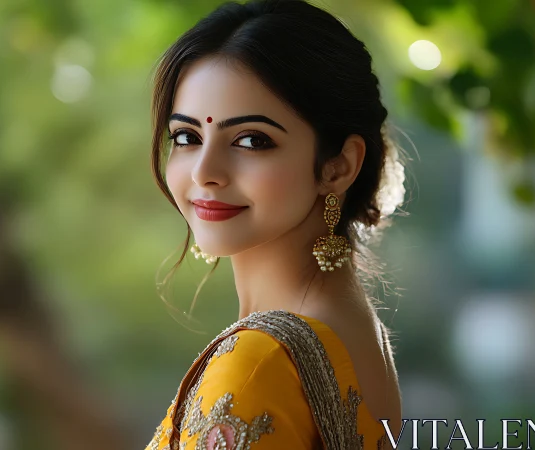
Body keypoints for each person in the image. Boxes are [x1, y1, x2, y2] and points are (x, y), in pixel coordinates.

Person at [146, 0, 405, 448]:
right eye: (186, 137)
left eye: (251, 140)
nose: (205, 172)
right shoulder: (359, 331)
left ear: (338, 167)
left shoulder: (259, 361)